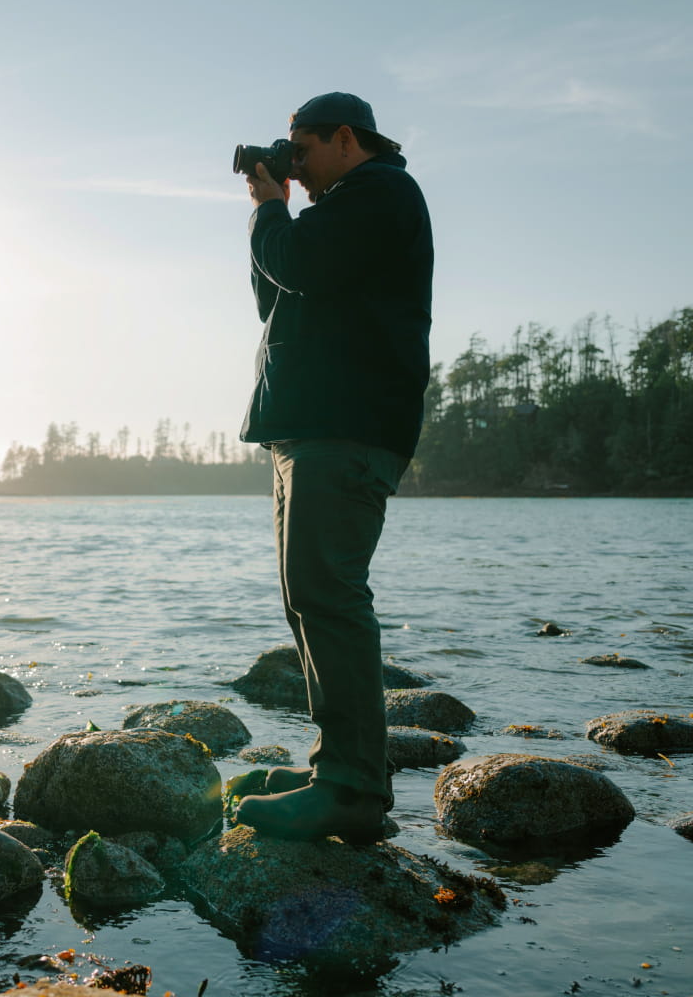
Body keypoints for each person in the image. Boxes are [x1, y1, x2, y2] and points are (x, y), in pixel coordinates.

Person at [230, 92, 433, 843]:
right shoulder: (342, 206)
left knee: (329, 594)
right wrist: (272, 209)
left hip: (344, 427)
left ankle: (351, 788)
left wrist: (269, 207)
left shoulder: (382, 194)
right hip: (308, 428)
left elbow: (299, 265)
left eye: (303, 151)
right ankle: (338, 768)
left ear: (346, 139)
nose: (298, 168)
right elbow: (274, 288)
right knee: (307, 596)